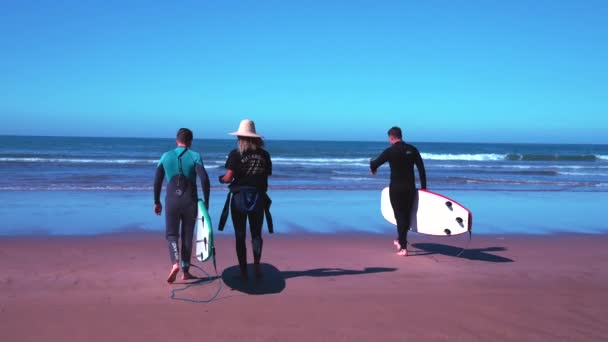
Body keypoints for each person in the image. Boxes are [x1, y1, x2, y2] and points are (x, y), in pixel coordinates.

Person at [154, 128, 210, 283]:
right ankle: (185, 271)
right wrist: (206, 201)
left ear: (176, 140)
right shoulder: (195, 156)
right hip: (190, 201)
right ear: (190, 141)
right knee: (187, 235)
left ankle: (175, 263)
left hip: (171, 201)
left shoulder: (166, 156)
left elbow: (157, 180)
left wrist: (156, 201)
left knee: (172, 234)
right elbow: (204, 179)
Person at [218, 119, 273, 280]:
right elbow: (266, 175)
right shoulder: (264, 154)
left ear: (240, 137)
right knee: (256, 235)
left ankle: (243, 271)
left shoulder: (236, 154)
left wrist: (221, 179)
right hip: (258, 198)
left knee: (240, 235)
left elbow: (228, 178)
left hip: (239, 199)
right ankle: (256, 267)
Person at [370, 126, 426, 256]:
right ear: (401, 135)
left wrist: (372, 168)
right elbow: (421, 170)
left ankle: (403, 247)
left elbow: (375, 163)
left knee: (399, 216)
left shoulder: (390, 151)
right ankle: (400, 240)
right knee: (406, 215)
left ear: (391, 137)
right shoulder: (413, 150)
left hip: (396, 189)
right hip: (410, 188)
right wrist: (424, 188)